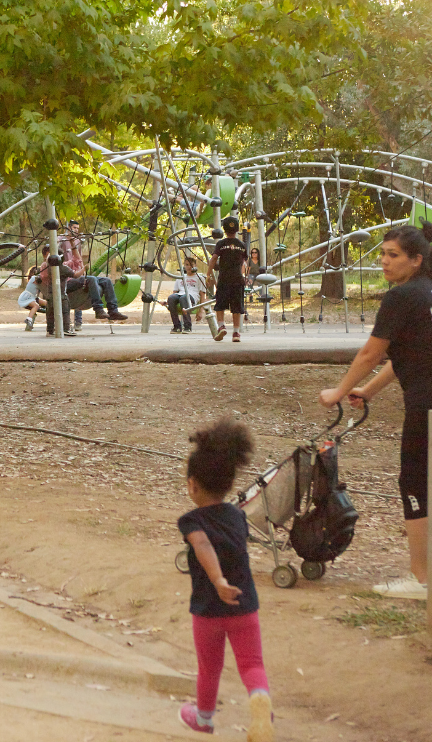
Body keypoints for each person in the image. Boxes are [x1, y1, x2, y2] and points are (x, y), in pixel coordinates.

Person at [318, 222, 432, 600]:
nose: (384, 261)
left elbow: (371, 353)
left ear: (416, 260)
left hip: (431, 404)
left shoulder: (402, 297)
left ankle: (421, 580)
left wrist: (338, 392)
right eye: (383, 254)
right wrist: (368, 390)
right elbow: (404, 355)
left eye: (393, 255)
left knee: (415, 485)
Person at [177, 418, 273, 740]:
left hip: (208, 610)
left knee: (210, 668)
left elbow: (202, 543)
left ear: (192, 485)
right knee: (251, 664)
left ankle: (204, 719)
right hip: (244, 606)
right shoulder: (238, 515)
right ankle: (261, 703)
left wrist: (217, 580)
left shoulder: (190, 520)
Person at [61, 218, 128, 325]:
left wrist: (82, 269)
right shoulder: (60, 239)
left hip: (77, 274)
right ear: (68, 228)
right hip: (67, 277)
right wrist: (67, 238)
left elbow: (78, 259)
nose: (76, 230)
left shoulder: (76, 241)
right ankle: (98, 309)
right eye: (74, 228)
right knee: (91, 279)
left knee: (106, 280)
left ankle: (113, 310)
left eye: (78, 228)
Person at [207, 215, 248, 342]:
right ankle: (236, 333)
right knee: (237, 307)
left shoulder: (221, 244)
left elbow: (214, 258)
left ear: (224, 229)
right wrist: (244, 277)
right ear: (237, 230)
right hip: (237, 279)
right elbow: (245, 263)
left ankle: (221, 326)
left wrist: (208, 274)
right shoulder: (241, 245)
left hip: (224, 278)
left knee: (220, 304)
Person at [165, 254, 205, 333]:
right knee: (171, 298)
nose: (189, 267)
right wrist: (168, 302)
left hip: (192, 296)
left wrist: (201, 310)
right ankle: (176, 326)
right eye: (186, 265)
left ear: (195, 266)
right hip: (180, 295)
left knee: (184, 298)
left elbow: (202, 295)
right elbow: (175, 292)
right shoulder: (180, 278)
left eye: (191, 265)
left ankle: (187, 326)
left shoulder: (200, 278)